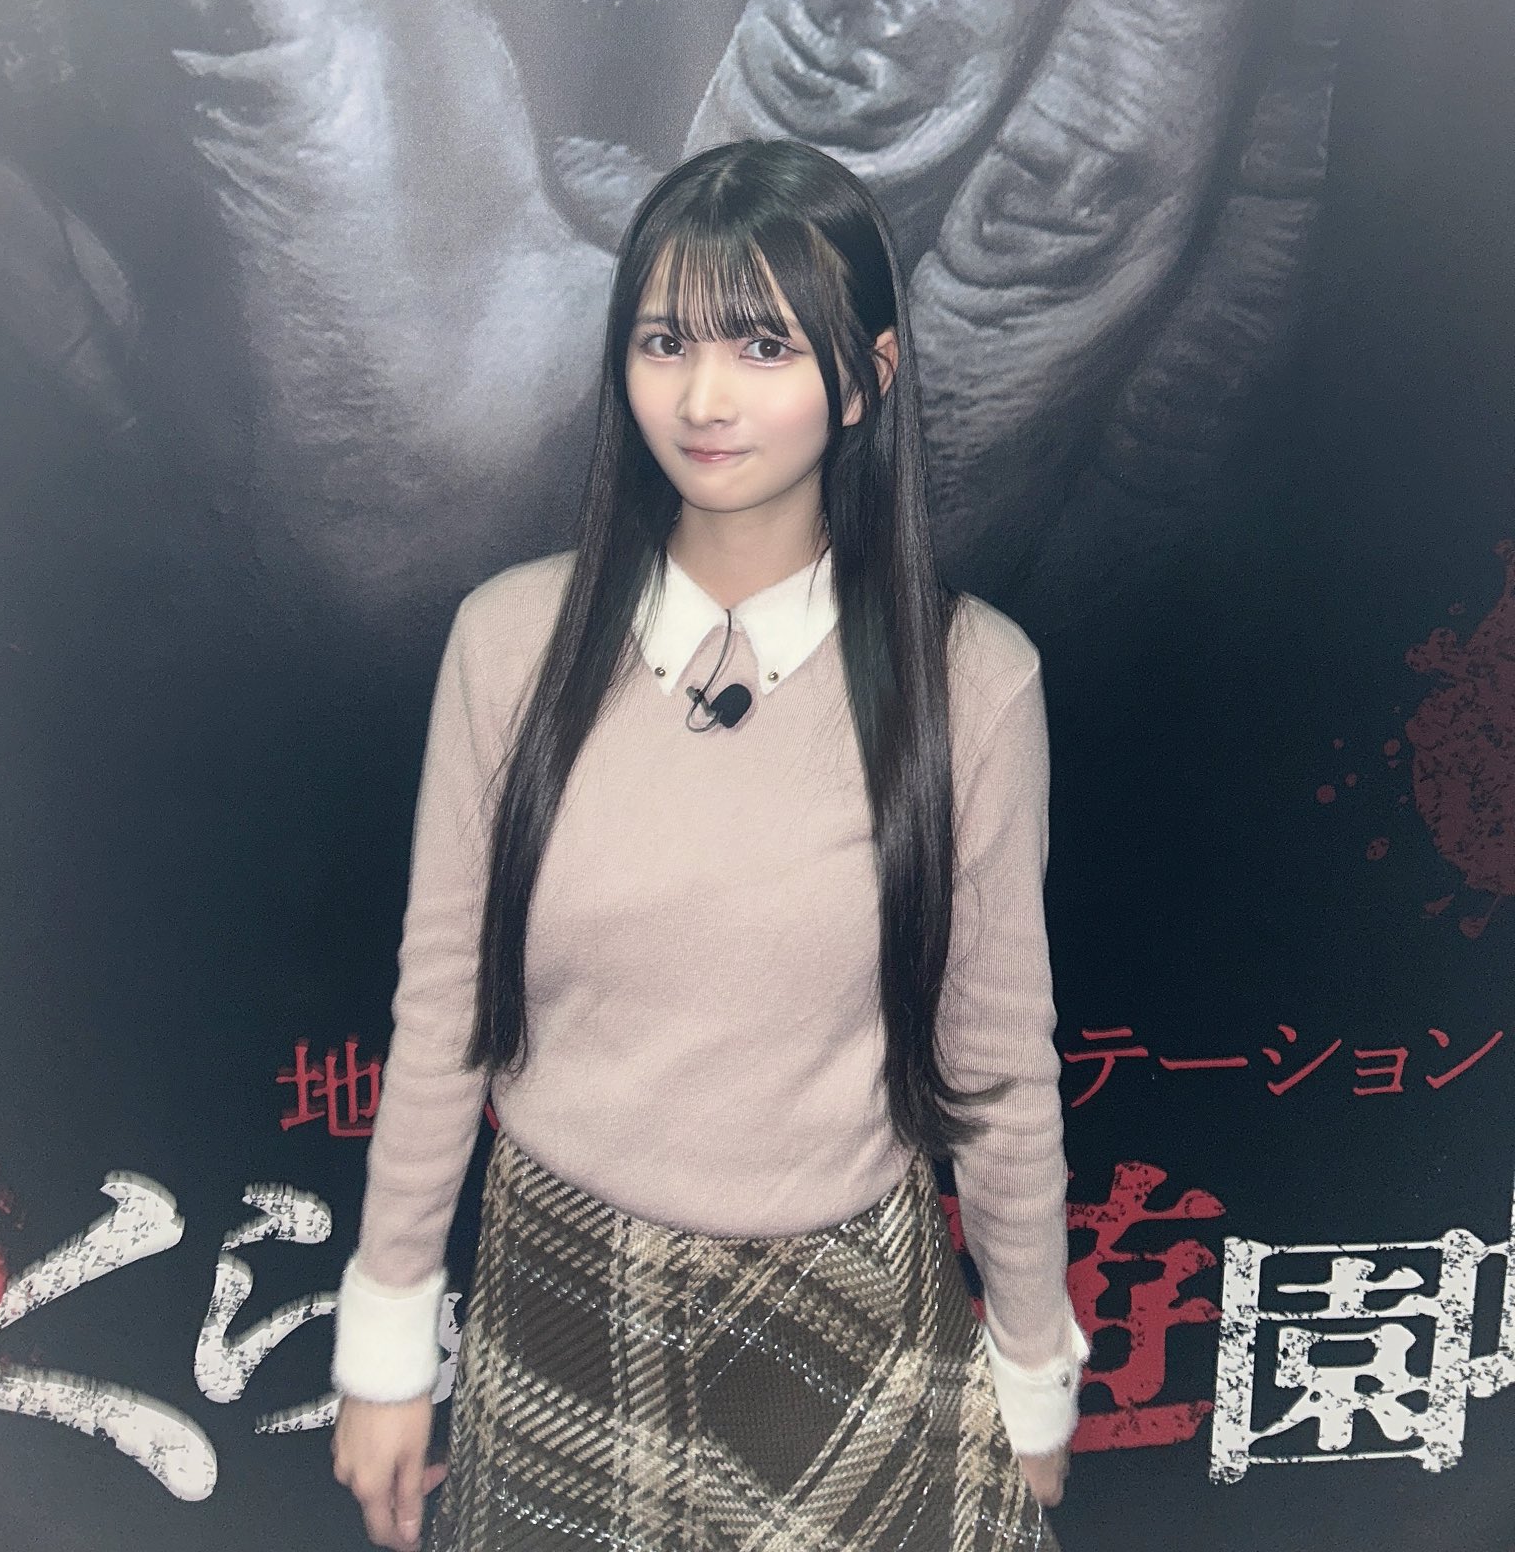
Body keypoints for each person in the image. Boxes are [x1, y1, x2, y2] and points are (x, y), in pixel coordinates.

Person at [329, 138, 1088, 1552]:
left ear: (865, 377)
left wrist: (1033, 1367)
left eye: (763, 345)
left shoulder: (971, 680)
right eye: (666, 340)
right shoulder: (510, 642)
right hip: (556, 1291)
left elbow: (997, 1057)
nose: (703, 397)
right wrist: (385, 1341)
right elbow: (442, 1013)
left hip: (848, 1305)